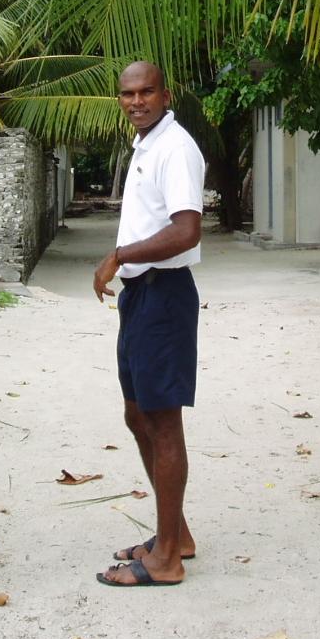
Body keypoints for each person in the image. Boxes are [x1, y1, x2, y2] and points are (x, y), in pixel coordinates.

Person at [93, 61, 205, 588]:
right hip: (141, 296)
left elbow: (186, 231)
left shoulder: (175, 148)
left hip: (165, 296)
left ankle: (166, 562)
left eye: (146, 92)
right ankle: (174, 536)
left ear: (166, 94)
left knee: (162, 422)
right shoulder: (147, 145)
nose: (136, 101)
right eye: (127, 93)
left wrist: (119, 255)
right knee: (137, 415)